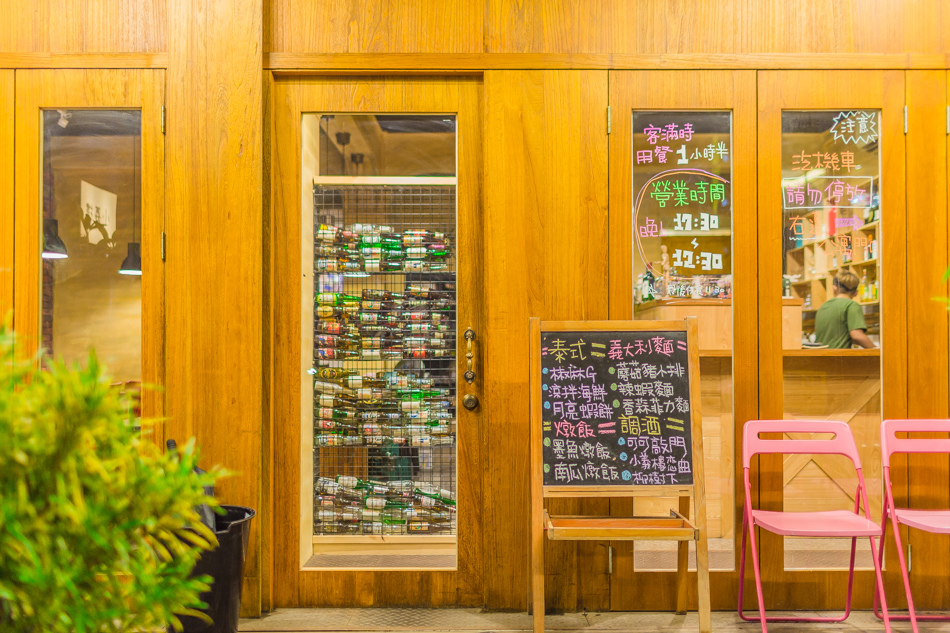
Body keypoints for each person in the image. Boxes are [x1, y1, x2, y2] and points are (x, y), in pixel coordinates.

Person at [814, 271, 876, 349]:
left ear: (834, 289)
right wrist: (876, 350)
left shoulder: (823, 307)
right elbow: (857, 335)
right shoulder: (851, 305)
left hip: (821, 358)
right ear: (856, 292)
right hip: (839, 358)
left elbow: (836, 338)